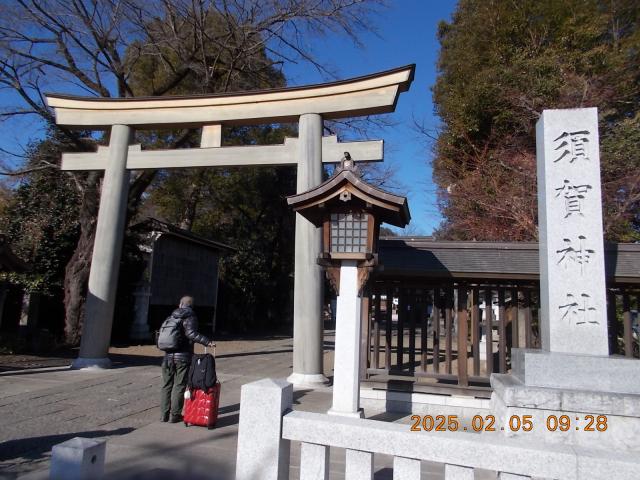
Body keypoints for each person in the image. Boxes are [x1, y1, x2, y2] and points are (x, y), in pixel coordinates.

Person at [160, 295, 215, 423]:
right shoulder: (190, 316)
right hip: (182, 356)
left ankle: (164, 414)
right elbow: (191, 333)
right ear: (191, 306)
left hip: (167, 356)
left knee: (166, 385)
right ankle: (175, 415)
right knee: (179, 385)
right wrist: (207, 342)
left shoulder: (171, 316)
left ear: (180, 304)